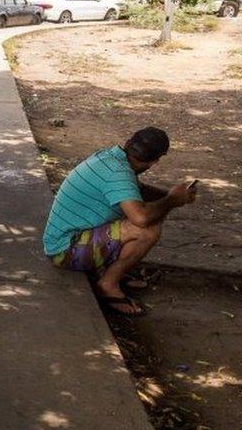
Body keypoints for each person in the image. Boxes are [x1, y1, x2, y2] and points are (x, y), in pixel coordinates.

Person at [43, 127, 196, 315]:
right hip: (65, 250)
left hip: (65, 240)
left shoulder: (112, 158)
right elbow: (141, 218)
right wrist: (172, 200)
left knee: (144, 213)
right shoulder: (118, 173)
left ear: (129, 142)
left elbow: (137, 191)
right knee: (148, 229)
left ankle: (109, 270)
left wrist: (170, 195)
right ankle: (108, 284)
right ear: (155, 161)